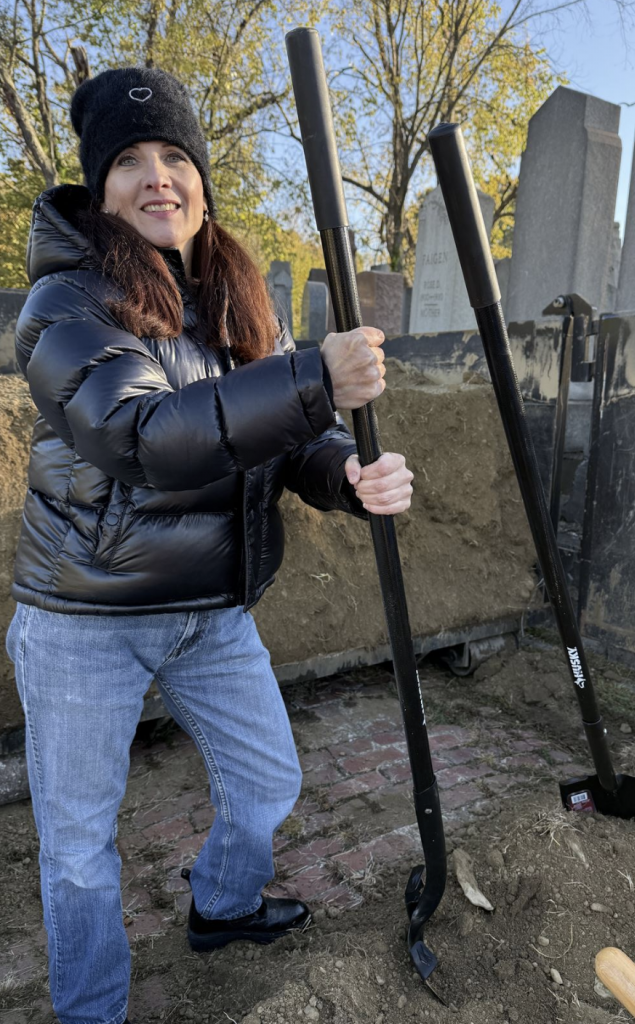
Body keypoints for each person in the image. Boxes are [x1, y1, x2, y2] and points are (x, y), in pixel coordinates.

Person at [5, 67, 414, 1024]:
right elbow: (145, 439)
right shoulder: (65, 305)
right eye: (131, 162)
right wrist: (315, 378)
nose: (158, 179)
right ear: (98, 190)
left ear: (200, 182)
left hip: (212, 612)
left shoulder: (226, 297)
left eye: (177, 159)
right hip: (85, 617)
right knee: (76, 849)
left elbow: (269, 439)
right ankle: (92, 1010)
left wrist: (342, 475)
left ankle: (222, 909)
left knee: (268, 779)